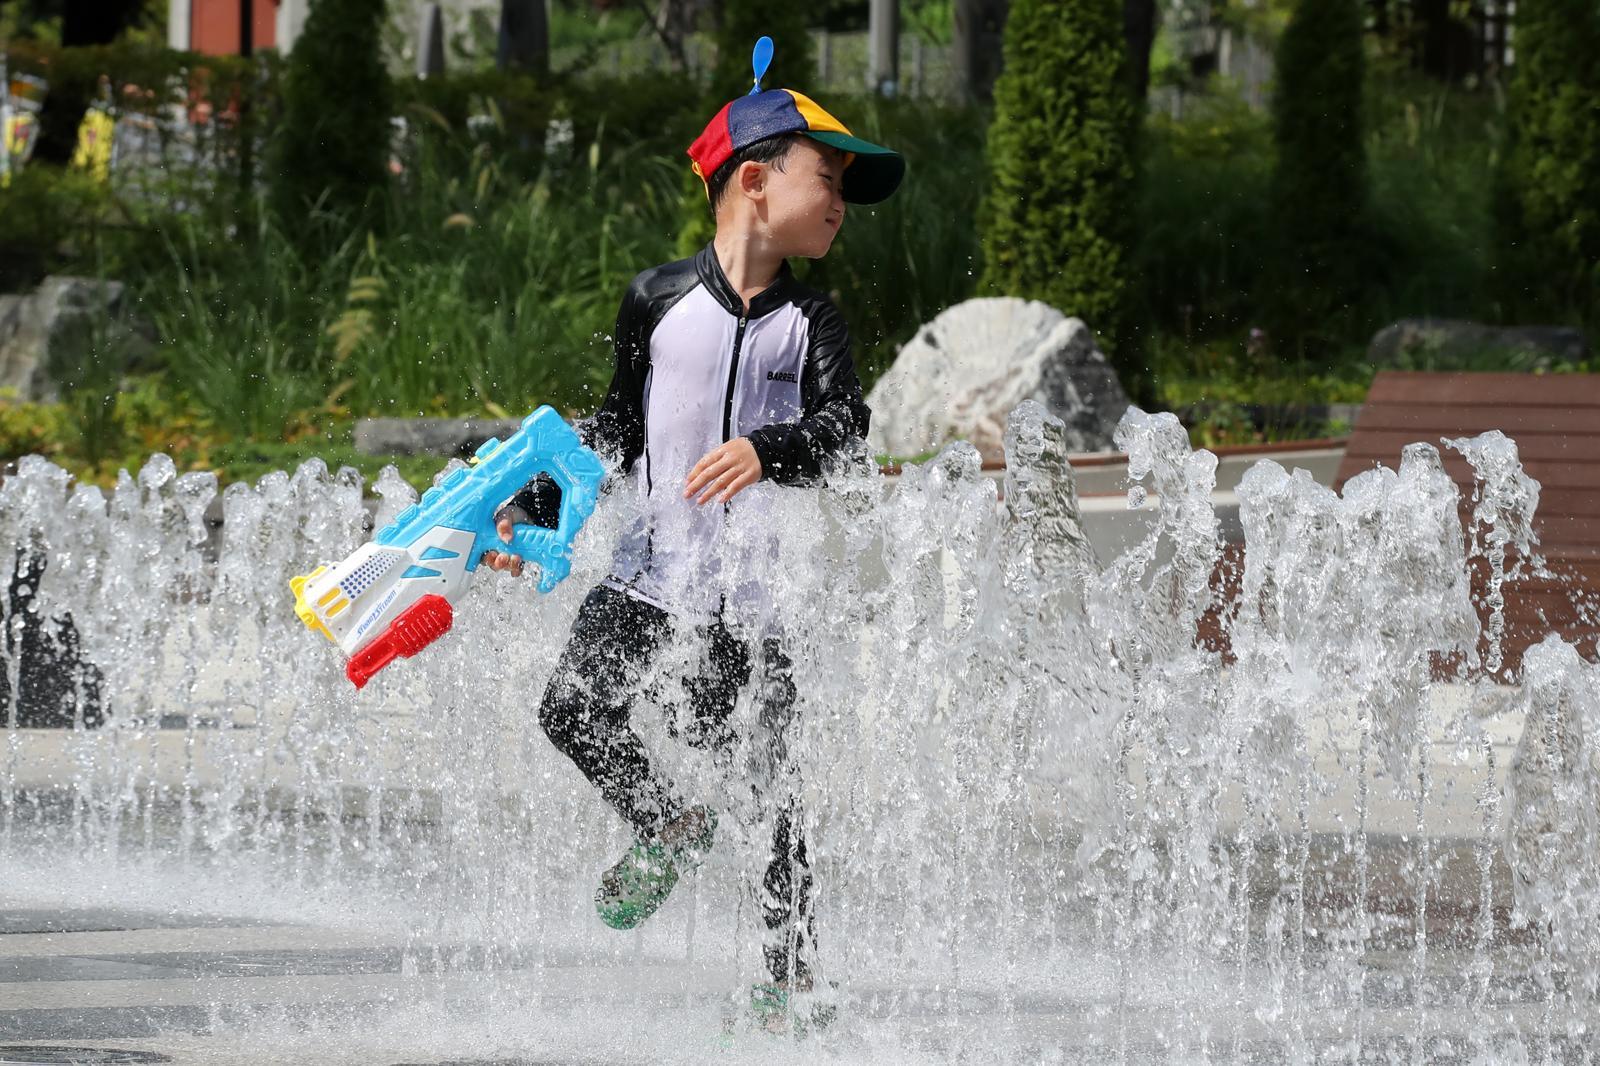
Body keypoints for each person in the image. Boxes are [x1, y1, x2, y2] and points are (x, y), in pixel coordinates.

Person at [482, 38, 905, 1027]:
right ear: (754, 180)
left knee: (772, 800)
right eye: (826, 179)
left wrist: (769, 447)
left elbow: (847, 433)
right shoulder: (657, 300)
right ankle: (664, 821)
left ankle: (789, 983)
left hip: (746, 600)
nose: (839, 202)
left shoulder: (815, 322)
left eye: (844, 186)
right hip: (648, 573)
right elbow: (617, 430)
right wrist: (533, 514)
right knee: (571, 712)